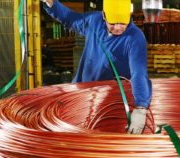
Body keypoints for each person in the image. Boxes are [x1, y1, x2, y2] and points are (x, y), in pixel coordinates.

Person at [40, 0, 152, 134]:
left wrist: (140, 107)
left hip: (112, 101)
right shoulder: (94, 21)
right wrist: (51, 3)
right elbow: (70, 18)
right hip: (82, 92)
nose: (117, 28)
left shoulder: (135, 37)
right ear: (104, 16)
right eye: (112, 23)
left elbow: (138, 72)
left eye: (122, 23)